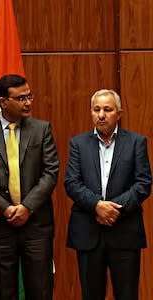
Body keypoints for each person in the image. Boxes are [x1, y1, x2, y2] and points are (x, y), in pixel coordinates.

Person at [0, 74, 59, 300]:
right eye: (21, 98)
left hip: (36, 224)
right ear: (3, 102)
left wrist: (26, 207)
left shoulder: (41, 129)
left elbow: (50, 172)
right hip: (0, 225)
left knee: (40, 289)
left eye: (29, 96)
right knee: (3, 291)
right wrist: (6, 208)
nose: (28, 102)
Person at [64, 89, 151, 300]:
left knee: (127, 294)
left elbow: (143, 183)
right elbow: (72, 183)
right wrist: (97, 206)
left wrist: (112, 208)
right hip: (88, 231)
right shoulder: (78, 143)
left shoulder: (135, 142)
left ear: (119, 113)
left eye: (107, 109)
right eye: (96, 109)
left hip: (125, 231)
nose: (101, 115)